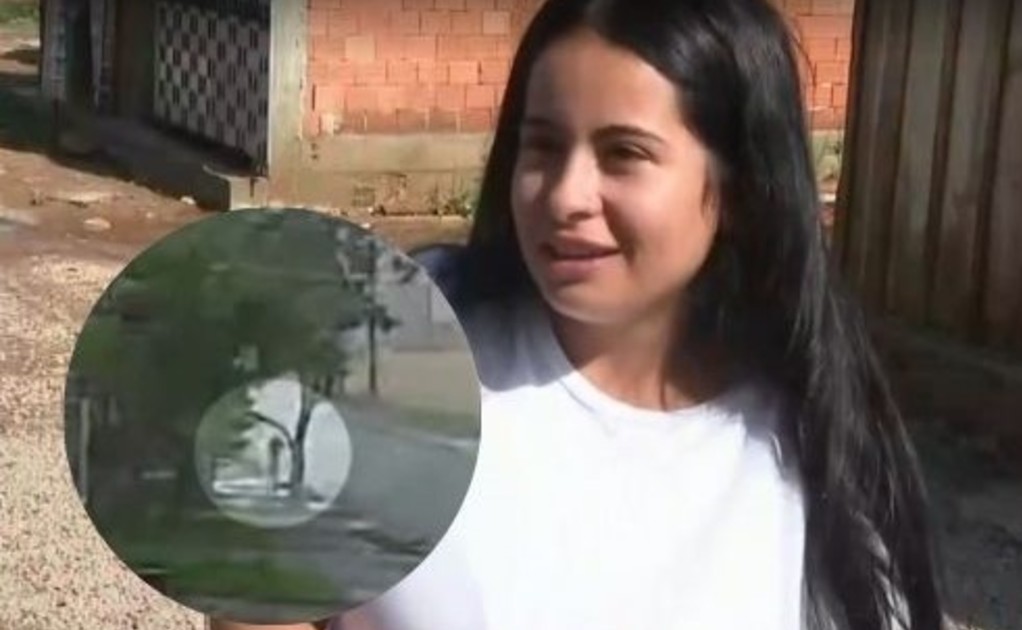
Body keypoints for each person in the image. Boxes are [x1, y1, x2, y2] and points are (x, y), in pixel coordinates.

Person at [211, 0, 944, 628]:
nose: (566, 195)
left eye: (624, 154)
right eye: (543, 147)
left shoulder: (819, 446)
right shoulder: (393, 346)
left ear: (740, 192)